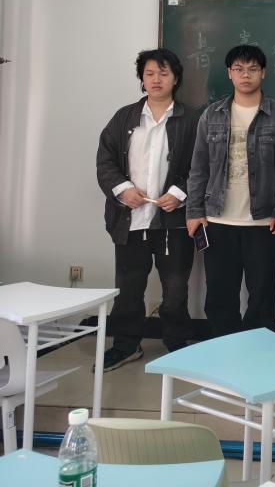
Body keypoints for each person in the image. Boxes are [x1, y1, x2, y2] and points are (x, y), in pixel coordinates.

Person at [185, 45, 275, 338]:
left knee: (262, 295)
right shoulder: (211, 115)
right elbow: (198, 167)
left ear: (263, 73)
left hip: (264, 221)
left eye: (252, 69)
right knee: (219, 295)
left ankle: (256, 352)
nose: (245, 75)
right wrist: (194, 211)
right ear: (229, 74)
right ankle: (225, 351)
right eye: (239, 69)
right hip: (217, 219)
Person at [95, 49, 199, 370]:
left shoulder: (191, 119)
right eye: (150, 73)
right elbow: (105, 161)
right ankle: (126, 346)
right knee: (128, 289)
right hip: (130, 220)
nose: (156, 80)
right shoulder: (124, 118)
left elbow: (202, 164)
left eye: (163, 74)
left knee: (176, 290)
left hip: (174, 222)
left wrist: (179, 193)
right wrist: (123, 190)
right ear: (142, 78)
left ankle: (177, 345)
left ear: (176, 78)